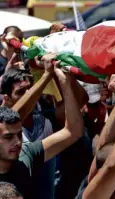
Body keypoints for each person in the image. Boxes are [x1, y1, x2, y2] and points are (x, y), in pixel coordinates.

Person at [0, 60, 84, 199]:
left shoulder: (27, 156)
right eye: (8, 137)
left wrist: (65, 83)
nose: (17, 142)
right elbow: (18, 112)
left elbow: (73, 132)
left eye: (20, 135)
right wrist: (46, 76)